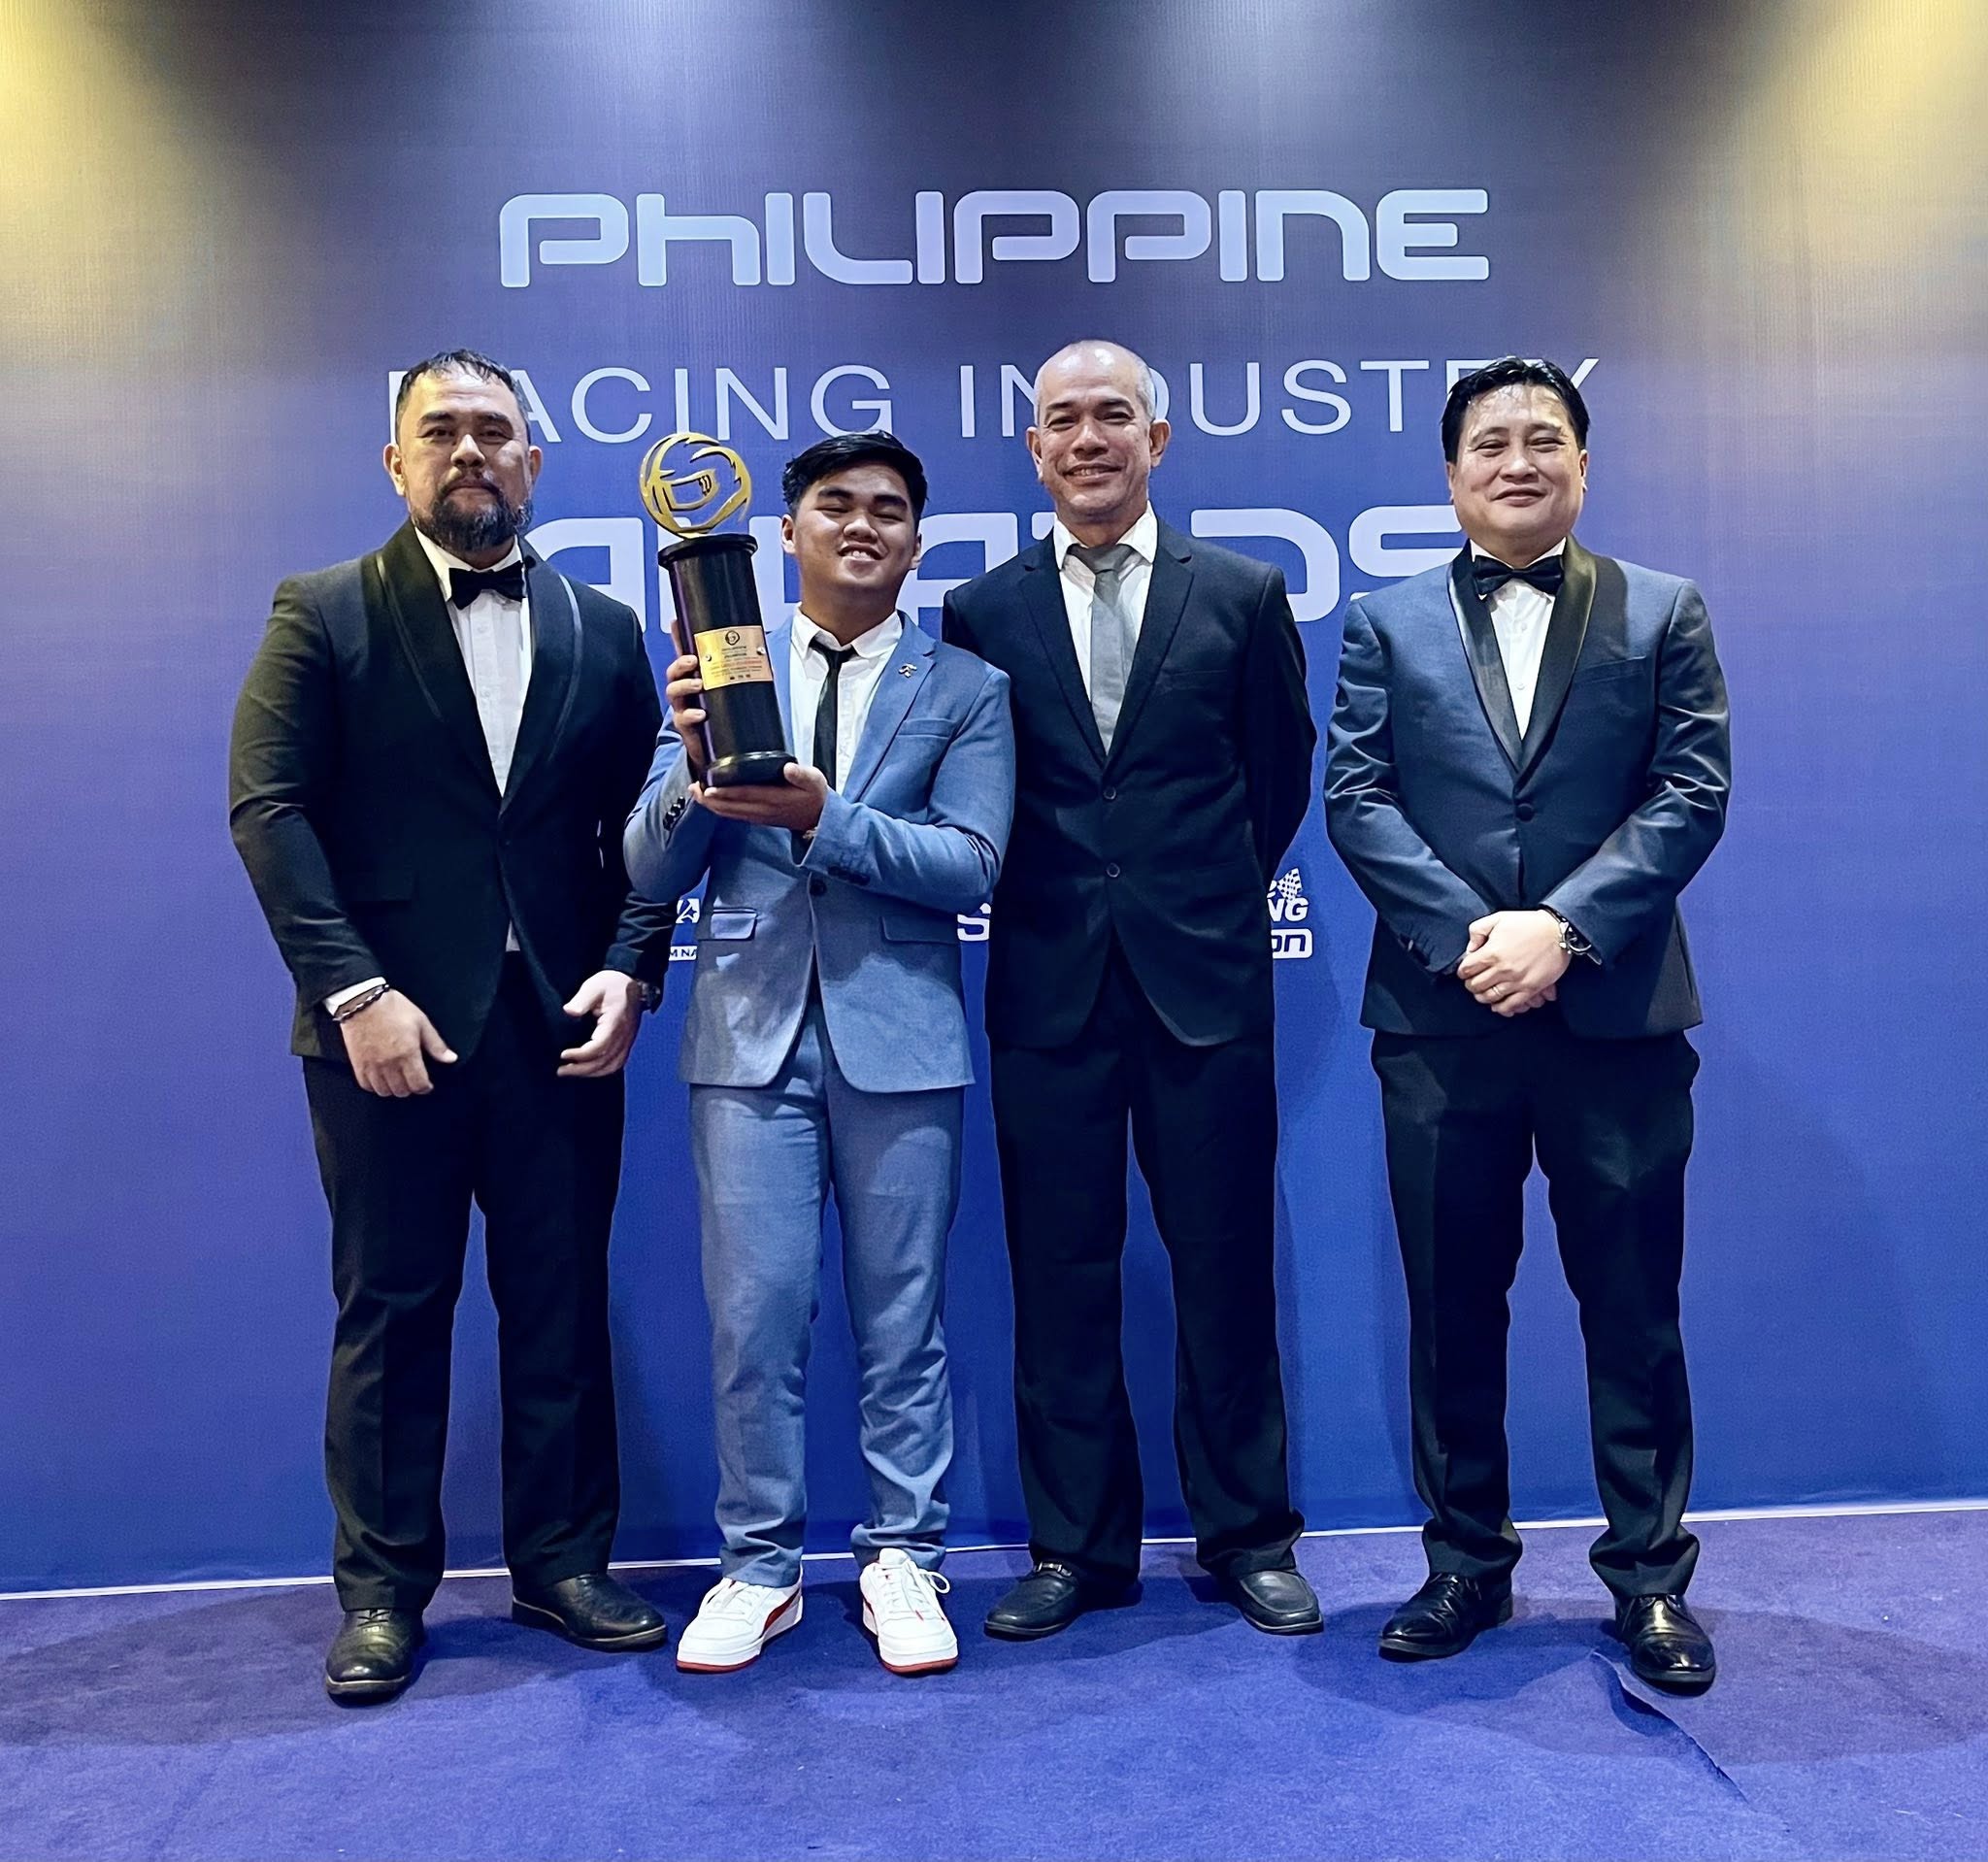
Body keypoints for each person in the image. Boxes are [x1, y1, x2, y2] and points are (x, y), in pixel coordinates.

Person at [229, 349, 673, 1703]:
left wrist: (632, 968)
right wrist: (353, 991)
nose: (469, 451)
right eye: (442, 432)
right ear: (396, 462)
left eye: (493, 431)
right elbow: (269, 809)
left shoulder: (603, 625)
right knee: (391, 1312)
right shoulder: (321, 611)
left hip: (558, 1028)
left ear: (533, 460)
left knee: (560, 1305)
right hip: (386, 1036)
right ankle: (381, 1595)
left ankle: (564, 1565)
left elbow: (652, 828)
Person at [1323, 355, 1731, 1693]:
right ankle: (1463, 1563)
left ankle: (1650, 1578)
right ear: (1450, 477)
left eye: (1543, 438)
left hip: (1615, 1018)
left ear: (1583, 465)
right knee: (1453, 1305)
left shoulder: (1663, 609)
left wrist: (1563, 928)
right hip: (1441, 1022)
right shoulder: (1383, 622)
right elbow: (1357, 797)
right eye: (1489, 443)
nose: (1517, 461)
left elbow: (1689, 791)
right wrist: (1471, 938)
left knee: (1634, 1305)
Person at [943, 340, 1320, 1641]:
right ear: (1034, 449)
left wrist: (1191, 897)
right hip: (1046, 987)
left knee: (1223, 1268)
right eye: (1063, 419)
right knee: (1057, 1275)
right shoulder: (980, 612)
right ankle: (1075, 1547)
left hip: (1204, 984)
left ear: (1157, 439)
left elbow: (1278, 778)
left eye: (1113, 415)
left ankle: (1250, 1536)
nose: (1087, 438)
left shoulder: (1243, 593)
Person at [624, 432, 1013, 1677]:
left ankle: (904, 1554)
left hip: (901, 1038)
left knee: (904, 1320)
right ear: (785, 533)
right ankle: (758, 1566)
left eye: (888, 509)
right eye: (834, 505)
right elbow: (647, 865)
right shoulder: (720, 662)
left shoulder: (967, 687)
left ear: (915, 541)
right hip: (747, 1039)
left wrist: (824, 819)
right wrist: (693, 769)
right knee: (754, 1319)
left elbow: (969, 862)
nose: (861, 525)